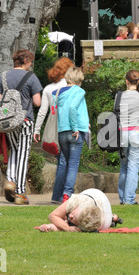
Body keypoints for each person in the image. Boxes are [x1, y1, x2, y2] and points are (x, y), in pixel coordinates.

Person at [0, 49, 42, 205]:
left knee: (14, 150)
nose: (31, 65)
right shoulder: (31, 77)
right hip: (25, 120)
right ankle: (20, 192)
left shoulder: (4, 76)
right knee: (23, 153)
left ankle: (10, 180)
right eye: (30, 62)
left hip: (8, 122)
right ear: (25, 61)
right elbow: (37, 102)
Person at [33, 57, 75, 203]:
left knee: (62, 161)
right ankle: (62, 194)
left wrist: (37, 130)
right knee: (66, 162)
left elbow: (43, 111)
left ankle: (64, 193)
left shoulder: (48, 88)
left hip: (53, 128)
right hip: (67, 126)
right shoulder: (69, 85)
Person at [52, 66, 90, 203]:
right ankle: (67, 193)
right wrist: (76, 127)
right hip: (75, 132)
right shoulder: (79, 91)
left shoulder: (57, 92)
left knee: (64, 162)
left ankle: (56, 195)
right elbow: (73, 107)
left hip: (62, 132)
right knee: (73, 164)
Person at [117, 70, 139, 205]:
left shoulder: (119, 96)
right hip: (137, 133)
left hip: (123, 134)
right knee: (133, 167)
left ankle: (122, 197)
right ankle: (129, 199)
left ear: (126, 81)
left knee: (124, 166)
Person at [37, 188, 123, 232]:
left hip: (105, 217)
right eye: (73, 213)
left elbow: (59, 223)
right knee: (64, 218)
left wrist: (66, 228)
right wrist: (67, 228)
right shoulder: (77, 201)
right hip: (96, 194)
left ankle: (112, 217)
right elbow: (53, 216)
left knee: (64, 220)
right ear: (78, 208)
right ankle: (113, 217)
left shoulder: (88, 225)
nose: (70, 215)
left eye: (72, 219)